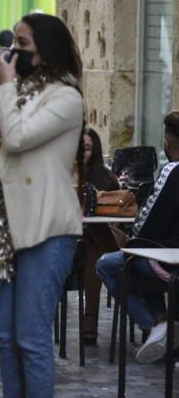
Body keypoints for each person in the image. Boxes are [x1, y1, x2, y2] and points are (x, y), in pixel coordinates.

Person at [0, 13, 86, 397]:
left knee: (31, 337)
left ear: (44, 51)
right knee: (6, 336)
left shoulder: (66, 96)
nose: (13, 52)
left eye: (22, 44)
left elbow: (18, 138)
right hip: (5, 227)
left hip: (47, 228)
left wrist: (6, 87)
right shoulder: (23, 93)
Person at [95, 111, 179, 363]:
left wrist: (132, 238)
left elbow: (147, 219)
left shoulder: (172, 172)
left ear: (165, 143)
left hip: (166, 260)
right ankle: (162, 323)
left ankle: (154, 326)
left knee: (110, 265)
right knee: (135, 260)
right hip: (166, 258)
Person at [75, 126, 120, 344]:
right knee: (95, 241)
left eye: (87, 149)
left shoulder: (106, 179)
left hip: (91, 243)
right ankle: (119, 263)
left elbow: (115, 216)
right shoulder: (57, 175)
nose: (82, 154)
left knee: (93, 241)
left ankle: (90, 318)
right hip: (66, 244)